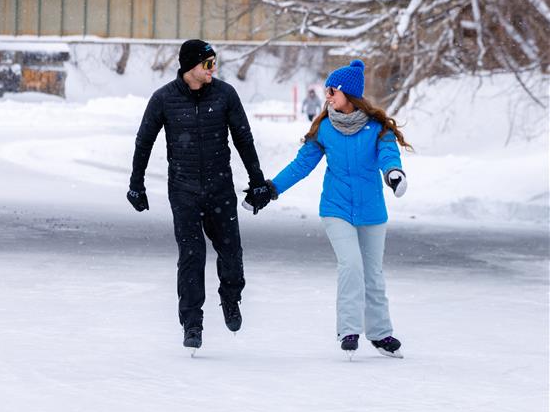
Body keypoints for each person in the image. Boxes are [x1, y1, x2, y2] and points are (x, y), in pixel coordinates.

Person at [249, 59, 411, 358]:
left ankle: (380, 334)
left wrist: (394, 174)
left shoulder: (377, 128)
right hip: (335, 208)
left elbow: (389, 154)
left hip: (372, 211)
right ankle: (349, 329)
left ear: (349, 94)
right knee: (351, 264)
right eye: (327, 91)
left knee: (372, 273)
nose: (328, 97)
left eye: (332, 91)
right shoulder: (325, 128)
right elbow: (302, 165)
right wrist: (271, 189)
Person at [127, 39, 271, 352]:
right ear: (190, 66)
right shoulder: (164, 99)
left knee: (231, 251)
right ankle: (192, 324)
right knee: (191, 258)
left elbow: (244, 139)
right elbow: (144, 142)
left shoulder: (225, 94)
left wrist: (257, 180)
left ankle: (230, 298)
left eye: (214, 63)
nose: (213, 69)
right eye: (207, 64)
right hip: (184, 191)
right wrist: (136, 183)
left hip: (220, 190)